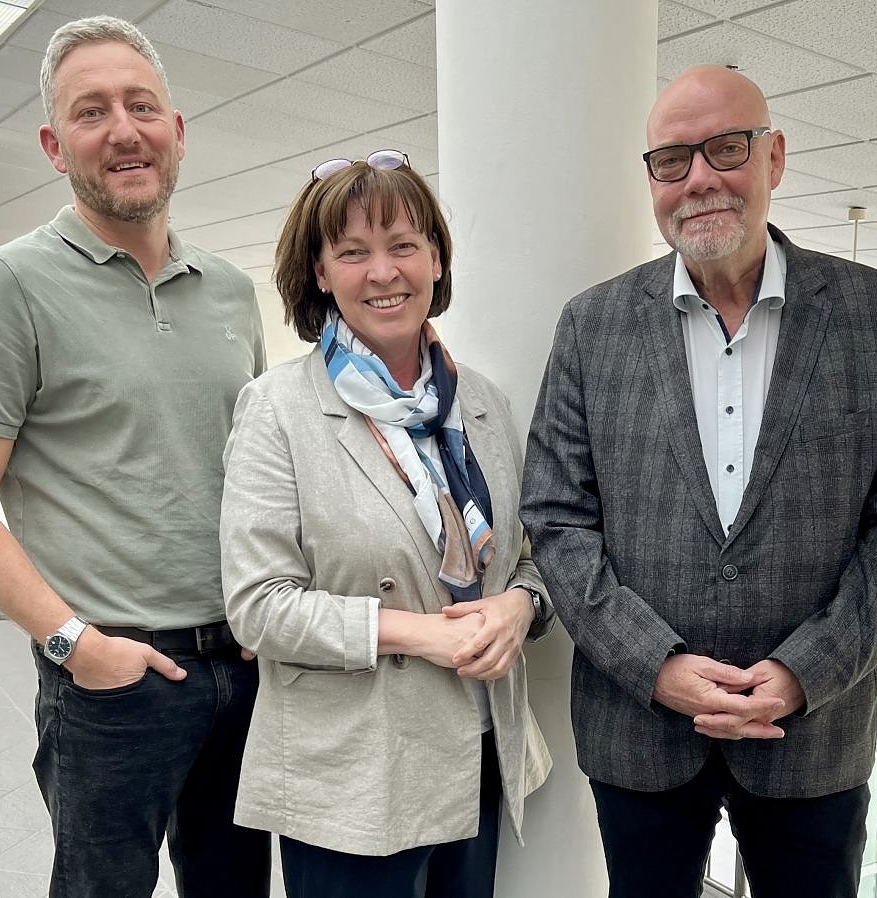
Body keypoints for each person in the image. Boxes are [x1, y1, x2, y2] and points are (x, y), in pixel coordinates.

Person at [520, 65, 877, 898]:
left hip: (812, 735)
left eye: (725, 148)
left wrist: (805, 671)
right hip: (639, 731)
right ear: (652, 178)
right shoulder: (591, 325)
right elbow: (557, 518)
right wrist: (655, 665)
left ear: (774, 157)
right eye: (672, 159)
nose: (699, 179)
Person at [0, 16, 270, 898]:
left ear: (176, 131)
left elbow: (259, 474)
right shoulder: (5, 287)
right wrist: (75, 645)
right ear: (54, 145)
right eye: (91, 112)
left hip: (244, 663)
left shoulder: (231, 292)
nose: (123, 130)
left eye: (141, 106)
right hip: (114, 683)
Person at [219, 150, 553, 898]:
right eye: (352, 252)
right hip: (353, 777)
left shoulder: (481, 405)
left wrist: (517, 607)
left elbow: (532, 558)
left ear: (436, 259)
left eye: (403, 245)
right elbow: (258, 606)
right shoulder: (278, 409)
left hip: (475, 751)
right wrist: (416, 633)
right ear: (319, 272)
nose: (383, 272)